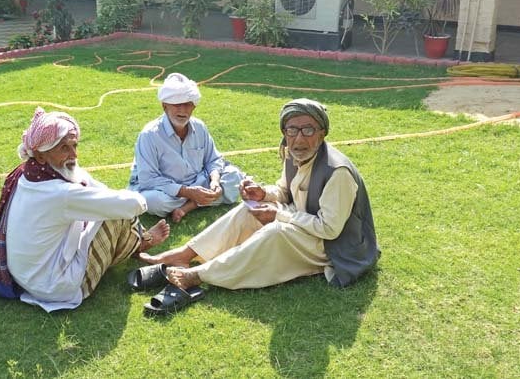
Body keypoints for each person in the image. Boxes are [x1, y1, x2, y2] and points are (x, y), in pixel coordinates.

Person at [138, 98, 379, 308]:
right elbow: (285, 192)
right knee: (248, 211)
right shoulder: (292, 151)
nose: (298, 138)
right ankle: (186, 253)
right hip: (306, 223)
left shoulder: (337, 172)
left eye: (308, 130)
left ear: (322, 133)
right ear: (284, 132)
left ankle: (197, 275)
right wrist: (262, 194)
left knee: (276, 231)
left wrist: (279, 215)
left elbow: (331, 229)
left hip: (335, 247)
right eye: (292, 130)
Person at [0, 107, 170, 312]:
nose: (73, 154)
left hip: (25, 277)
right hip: (54, 286)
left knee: (110, 204)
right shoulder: (59, 193)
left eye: (74, 145)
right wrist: (139, 198)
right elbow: (133, 205)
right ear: (40, 155)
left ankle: (137, 240)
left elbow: (85, 180)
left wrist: (107, 197)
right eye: (64, 148)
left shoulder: (27, 173)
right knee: (119, 214)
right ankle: (140, 243)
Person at [129, 73, 242, 223]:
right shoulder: (149, 135)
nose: (182, 110)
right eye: (177, 104)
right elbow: (148, 179)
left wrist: (214, 181)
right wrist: (187, 191)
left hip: (197, 183)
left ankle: (189, 206)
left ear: (194, 106)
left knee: (234, 176)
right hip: (166, 190)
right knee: (152, 201)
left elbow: (213, 159)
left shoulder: (199, 127)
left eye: (187, 104)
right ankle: (199, 200)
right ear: (164, 106)